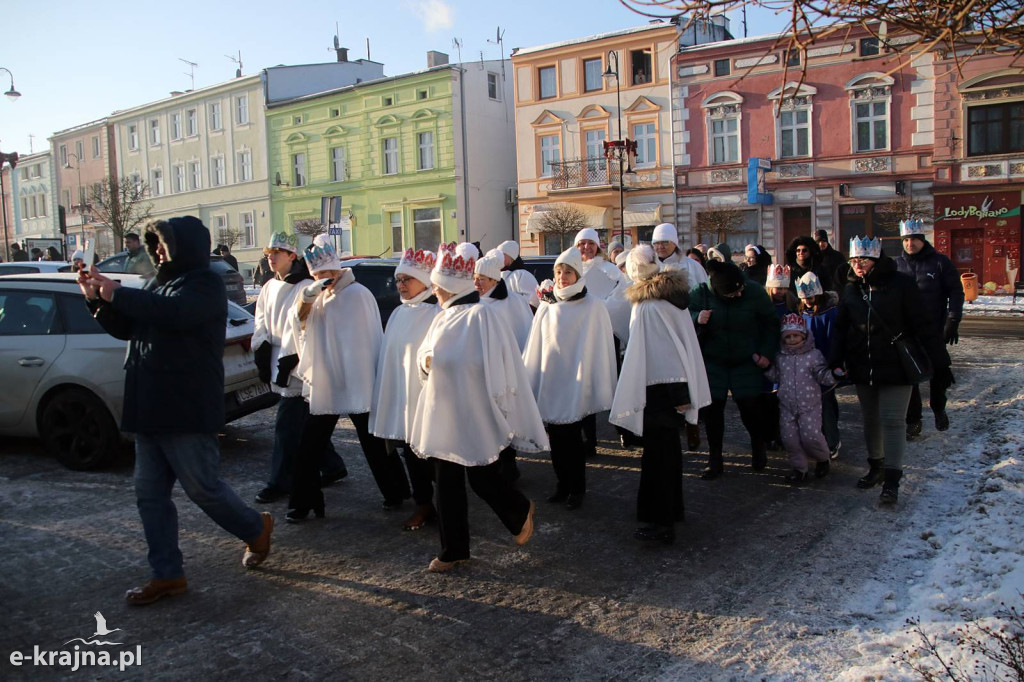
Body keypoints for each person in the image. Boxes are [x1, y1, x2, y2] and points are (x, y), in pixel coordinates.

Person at [79, 216, 274, 606]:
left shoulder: (204, 284)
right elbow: (129, 327)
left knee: (203, 488)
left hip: (186, 407)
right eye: (155, 245)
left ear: (185, 246)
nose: (158, 251)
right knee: (149, 496)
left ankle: (255, 527)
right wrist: (96, 298)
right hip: (149, 406)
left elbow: (174, 313)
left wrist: (117, 293)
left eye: (164, 244)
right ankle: (167, 574)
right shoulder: (158, 283)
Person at [408, 242, 547, 572]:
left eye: (438, 287)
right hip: (443, 411)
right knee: (447, 483)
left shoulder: (482, 316)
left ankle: (519, 510)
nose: (435, 292)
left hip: (474, 410)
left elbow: (494, 363)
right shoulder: (443, 317)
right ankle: (453, 550)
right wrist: (426, 362)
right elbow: (426, 354)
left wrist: (498, 405)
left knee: (482, 478)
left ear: (451, 287)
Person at [287, 235, 410, 521]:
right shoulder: (316, 297)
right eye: (316, 275)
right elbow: (299, 325)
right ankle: (304, 502)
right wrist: (307, 298)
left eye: (325, 274)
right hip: (327, 380)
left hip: (358, 378)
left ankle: (396, 491)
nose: (322, 280)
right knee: (309, 445)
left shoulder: (358, 294)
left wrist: (370, 376)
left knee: (374, 441)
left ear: (336, 269)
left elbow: (369, 339)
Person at [829, 237, 951, 505]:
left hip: (897, 365)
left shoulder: (901, 285)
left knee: (893, 420)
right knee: (871, 419)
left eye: (863, 259)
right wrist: (835, 360)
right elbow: (841, 328)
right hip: (863, 365)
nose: (857, 264)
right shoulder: (851, 288)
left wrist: (941, 362)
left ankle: (892, 480)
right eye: (853, 259)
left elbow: (923, 325)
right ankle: (877, 467)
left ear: (877, 259)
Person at [611, 245, 711, 544]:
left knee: (658, 459)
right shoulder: (669, 298)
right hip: (669, 390)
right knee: (667, 455)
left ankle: (661, 521)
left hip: (658, 391)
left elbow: (664, 354)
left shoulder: (649, 306)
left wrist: (677, 394)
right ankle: (671, 511)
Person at [251, 231, 347, 505]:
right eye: (268, 254)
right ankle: (332, 465)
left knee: (286, 427)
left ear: (292, 256)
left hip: (298, 367)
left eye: (276, 253)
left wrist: (292, 358)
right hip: (277, 361)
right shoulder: (269, 286)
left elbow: (306, 326)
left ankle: (279, 482)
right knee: (303, 425)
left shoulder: (306, 286)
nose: (271, 258)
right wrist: (262, 348)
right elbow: (261, 319)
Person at [523, 247, 616, 510]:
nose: (562, 277)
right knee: (555, 438)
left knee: (573, 439)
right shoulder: (548, 305)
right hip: (552, 381)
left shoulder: (592, 305)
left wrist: (590, 376)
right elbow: (536, 343)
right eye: (558, 272)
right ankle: (562, 484)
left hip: (575, 382)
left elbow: (598, 345)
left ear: (577, 275)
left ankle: (577, 488)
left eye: (568, 272)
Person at [370, 248, 441, 531]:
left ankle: (448, 506)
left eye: (407, 279)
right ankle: (423, 505)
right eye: (398, 279)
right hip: (406, 398)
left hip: (429, 397)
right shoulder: (398, 313)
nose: (400, 285)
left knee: (436, 455)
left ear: (425, 281)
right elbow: (390, 358)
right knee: (411, 454)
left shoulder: (438, 312)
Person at [690, 258, 780, 479]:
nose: (739, 295)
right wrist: (696, 317)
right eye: (733, 294)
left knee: (751, 409)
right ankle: (715, 458)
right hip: (713, 361)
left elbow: (771, 324)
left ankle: (758, 445)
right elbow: (682, 317)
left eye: (741, 290)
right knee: (712, 412)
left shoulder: (755, 292)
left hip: (746, 360)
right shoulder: (700, 293)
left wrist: (766, 353)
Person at [894, 219, 963, 439]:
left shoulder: (940, 263)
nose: (910, 244)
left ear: (923, 240)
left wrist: (953, 320)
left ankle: (938, 407)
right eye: (906, 240)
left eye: (914, 239)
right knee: (910, 376)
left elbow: (956, 292)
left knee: (939, 371)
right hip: (907, 332)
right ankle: (913, 420)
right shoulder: (896, 265)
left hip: (934, 329)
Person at [764, 314, 836, 483]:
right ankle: (799, 469)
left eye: (795, 335)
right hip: (786, 405)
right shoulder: (781, 357)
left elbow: (822, 375)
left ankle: (823, 458)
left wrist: (835, 375)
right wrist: (766, 368)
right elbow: (776, 377)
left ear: (803, 335)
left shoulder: (814, 355)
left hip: (809, 406)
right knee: (790, 439)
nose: (792, 340)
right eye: (788, 337)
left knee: (811, 436)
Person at [796, 271, 842, 458]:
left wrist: (832, 364)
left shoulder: (829, 314)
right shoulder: (801, 313)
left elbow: (834, 340)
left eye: (810, 297)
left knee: (826, 404)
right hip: (805, 367)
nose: (807, 301)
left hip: (824, 366)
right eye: (804, 298)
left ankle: (831, 441)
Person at [475, 250, 533, 352]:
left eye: (481, 279)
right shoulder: (473, 304)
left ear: (494, 280)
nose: (475, 283)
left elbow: (525, 336)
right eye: (474, 278)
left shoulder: (515, 302)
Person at [651, 222, 709, 287]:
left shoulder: (692, 266)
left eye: (665, 242)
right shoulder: (649, 268)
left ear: (675, 243)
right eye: (656, 243)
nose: (660, 247)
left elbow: (705, 291)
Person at [574, 228, 623, 300]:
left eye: (591, 243)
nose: (586, 247)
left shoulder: (610, 269)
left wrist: (598, 304)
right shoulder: (570, 270)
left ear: (597, 247)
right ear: (576, 247)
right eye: (582, 243)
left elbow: (620, 296)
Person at [496, 240, 540, 309]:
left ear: (511, 256)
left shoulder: (522, 275)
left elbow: (533, 300)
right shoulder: (496, 274)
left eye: (503, 254)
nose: (499, 257)